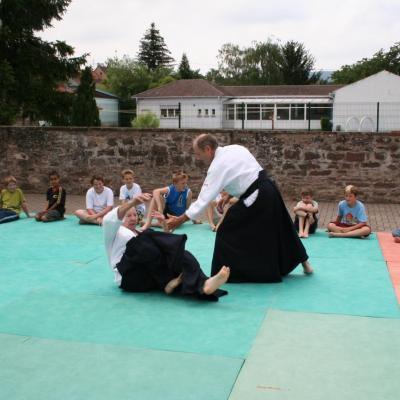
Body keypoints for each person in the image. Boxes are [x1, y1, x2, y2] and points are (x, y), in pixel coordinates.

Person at [166, 133, 313, 283]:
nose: (198, 158)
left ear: (208, 149)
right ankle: (306, 264)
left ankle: (224, 274)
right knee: (282, 225)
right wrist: (229, 196)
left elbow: (203, 200)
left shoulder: (217, 166)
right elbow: (246, 174)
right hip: (269, 188)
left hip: (256, 197)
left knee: (226, 228)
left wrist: (180, 220)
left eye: (198, 154)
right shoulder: (235, 148)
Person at [102, 193, 230, 301]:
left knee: (183, 255)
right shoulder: (115, 232)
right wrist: (132, 203)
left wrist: (163, 224)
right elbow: (108, 220)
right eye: (128, 215)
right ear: (120, 218)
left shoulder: (139, 233)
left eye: (135, 215)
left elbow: (166, 245)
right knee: (147, 238)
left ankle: (204, 285)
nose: (133, 218)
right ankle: (166, 283)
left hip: (147, 278)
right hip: (129, 277)